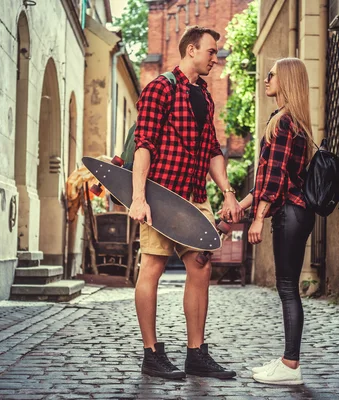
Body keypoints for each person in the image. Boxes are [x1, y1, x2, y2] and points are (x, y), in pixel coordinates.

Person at [129, 26, 242, 380]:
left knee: (201, 266)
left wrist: (226, 191)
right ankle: (152, 353)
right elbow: (143, 144)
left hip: (194, 198)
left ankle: (196, 352)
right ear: (191, 50)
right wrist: (138, 198)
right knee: (152, 268)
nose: (215, 58)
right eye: (211, 51)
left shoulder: (205, 96)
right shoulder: (160, 87)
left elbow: (212, 149)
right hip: (161, 196)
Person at [238, 58, 315, 385]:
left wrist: (257, 218)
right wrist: (243, 204)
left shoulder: (284, 123)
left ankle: (291, 366)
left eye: (271, 74)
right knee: (287, 287)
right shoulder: (290, 121)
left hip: (290, 212)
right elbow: (269, 176)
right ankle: (288, 361)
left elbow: (276, 178)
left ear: (284, 80)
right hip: (295, 211)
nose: (266, 78)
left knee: (287, 287)